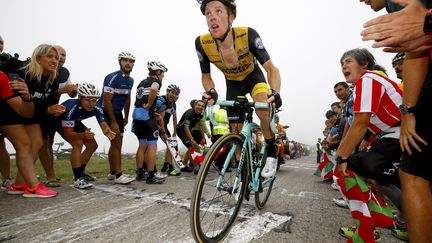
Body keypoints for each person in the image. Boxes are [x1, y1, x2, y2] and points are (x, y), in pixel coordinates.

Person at [196, 0, 282, 178]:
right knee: (235, 134)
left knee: (262, 109)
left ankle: (272, 152)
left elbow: (271, 69)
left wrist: (274, 91)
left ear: (231, 17)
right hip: (233, 84)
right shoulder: (202, 43)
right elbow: (206, 75)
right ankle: (244, 171)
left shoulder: (247, 34)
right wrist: (211, 90)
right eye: (208, 13)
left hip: (253, 78)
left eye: (219, 11)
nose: (212, 17)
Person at [335, 48, 403, 242]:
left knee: (348, 168)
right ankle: (380, 221)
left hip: (397, 135)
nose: (344, 66)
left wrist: (342, 155)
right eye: (341, 64)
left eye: (348, 61)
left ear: (364, 64)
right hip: (389, 136)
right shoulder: (365, 83)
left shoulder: (368, 79)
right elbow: (369, 125)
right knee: (385, 180)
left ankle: (367, 229)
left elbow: (361, 121)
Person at [0, 69, 57, 198]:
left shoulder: (53, 78)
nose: (55, 60)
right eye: (50, 56)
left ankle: (20, 184)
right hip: (9, 111)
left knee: (36, 143)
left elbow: (28, 110)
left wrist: (27, 98)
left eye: (57, 57)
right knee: (24, 144)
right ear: (38, 58)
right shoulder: (24, 73)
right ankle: (32, 185)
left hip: (27, 110)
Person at [57, 82, 115, 189]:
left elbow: (103, 124)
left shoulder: (96, 108)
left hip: (75, 121)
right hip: (59, 122)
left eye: (94, 100)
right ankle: (77, 178)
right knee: (77, 143)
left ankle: (80, 173)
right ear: (80, 97)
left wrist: (107, 131)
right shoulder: (71, 107)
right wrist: (83, 135)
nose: (91, 103)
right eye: (88, 99)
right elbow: (69, 135)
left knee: (93, 145)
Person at [38, 45, 77, 187]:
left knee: (48, 142)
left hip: (54, 111)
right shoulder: (43, 71)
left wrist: (73, 91)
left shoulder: (64, 72)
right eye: (56, 55)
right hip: (39, 109)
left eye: (63, 55)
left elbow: (69, 90)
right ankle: (49, 175)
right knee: (41, 142)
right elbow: (43, 91)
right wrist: (63, 90)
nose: (60, 58)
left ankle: (51, 173)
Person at [97, 51, 135, 184]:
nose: (128, 63)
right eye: (125, 60)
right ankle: (119, 176)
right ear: (120, 62)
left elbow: (128, 99)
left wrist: (126, 116)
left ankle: (112, 173)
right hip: (105, 110)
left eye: (131, 61)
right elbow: (107, 101)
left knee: (116, 143)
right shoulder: (112, 77)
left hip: (118, 112)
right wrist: (113, 122)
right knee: (117, 142)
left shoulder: (130, 80)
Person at [132, 61, 168, 184]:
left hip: (137, 117)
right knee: (152, 146)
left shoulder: (142, 82)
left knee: (142, 146)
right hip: (148, 118)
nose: (163, 76)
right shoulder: (156, 81)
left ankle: (139, 172)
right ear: (158, 72)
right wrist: (149, 105)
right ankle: (151, 176)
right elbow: (153, 90)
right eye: (162, 73)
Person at [177, 99, 206, 174]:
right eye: (198, 105)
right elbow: (185, 127)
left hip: (189, 129)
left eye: (202, 106)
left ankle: (184, 165)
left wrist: (203, 137)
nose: (200, 107)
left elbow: (200, 125)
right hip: (181, 130)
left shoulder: (201, 113)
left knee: (193, 147)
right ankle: (196, 168)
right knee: (191, 147)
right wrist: (191, 139)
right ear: (195, 105)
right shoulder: (189, 113)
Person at [159, 84, 182, 176]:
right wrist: (162, 130)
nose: (174, 95)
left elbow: (174, 118)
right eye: (172, 92)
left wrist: (175, 131)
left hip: (164, 126)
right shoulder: (161, 100)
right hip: (156, 125)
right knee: (170, 145)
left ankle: (165, 166)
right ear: (167, 92)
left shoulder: (173, 104)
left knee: (170, 145)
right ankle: (170, 168)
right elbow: (157, 116)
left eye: (176, 94)